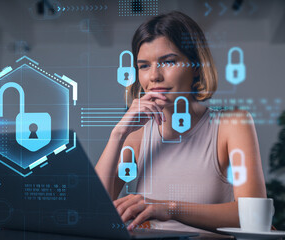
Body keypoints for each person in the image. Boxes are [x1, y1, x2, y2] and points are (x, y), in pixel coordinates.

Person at [95, 11, 266, 233]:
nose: (154, 76)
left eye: (168, 62)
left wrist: (170, 208)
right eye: (144, 66)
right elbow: (93, 210)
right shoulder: (136, 135)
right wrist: (118, 134)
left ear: (196, 66)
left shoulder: (232, 124)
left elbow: (253, 216)